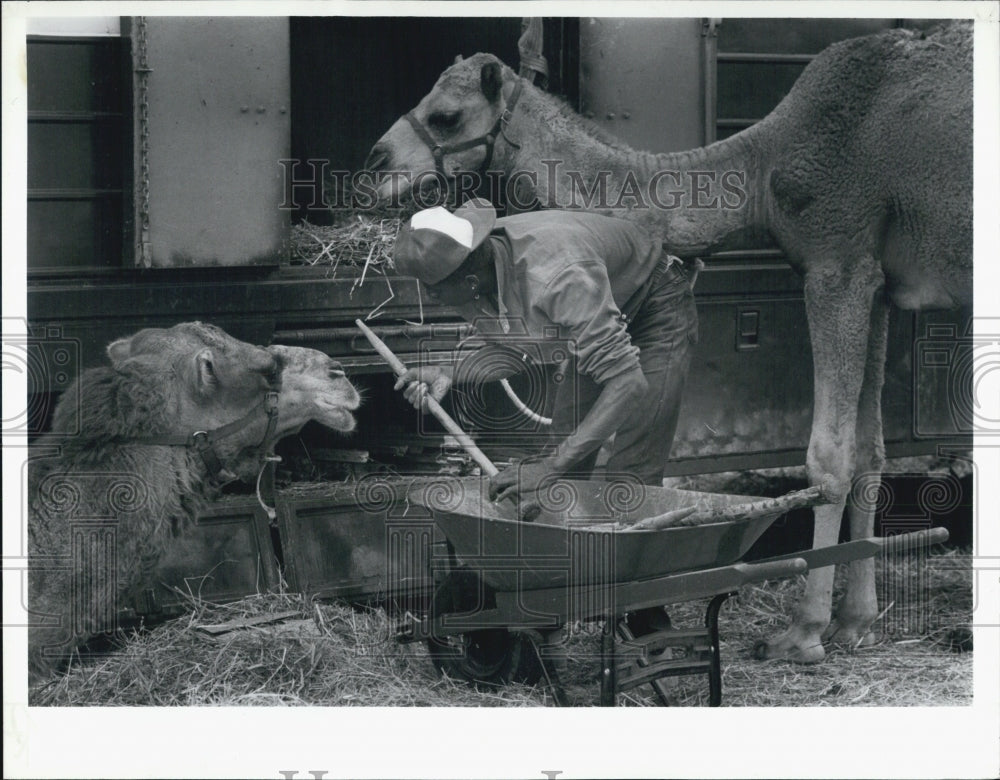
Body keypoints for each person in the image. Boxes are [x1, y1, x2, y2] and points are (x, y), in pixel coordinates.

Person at [392, 198, 698, 521]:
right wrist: (448, 372)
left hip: (653, 301)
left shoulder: (556, 275)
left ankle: (629, 563)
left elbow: (628, 382)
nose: (429, 296)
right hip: (595, 313)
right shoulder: (476, 278)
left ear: (468, 283)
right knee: (565, 459)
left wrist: (548, 467)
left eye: (432, 290)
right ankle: (569, 560)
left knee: (630, 475)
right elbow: (519, 349)